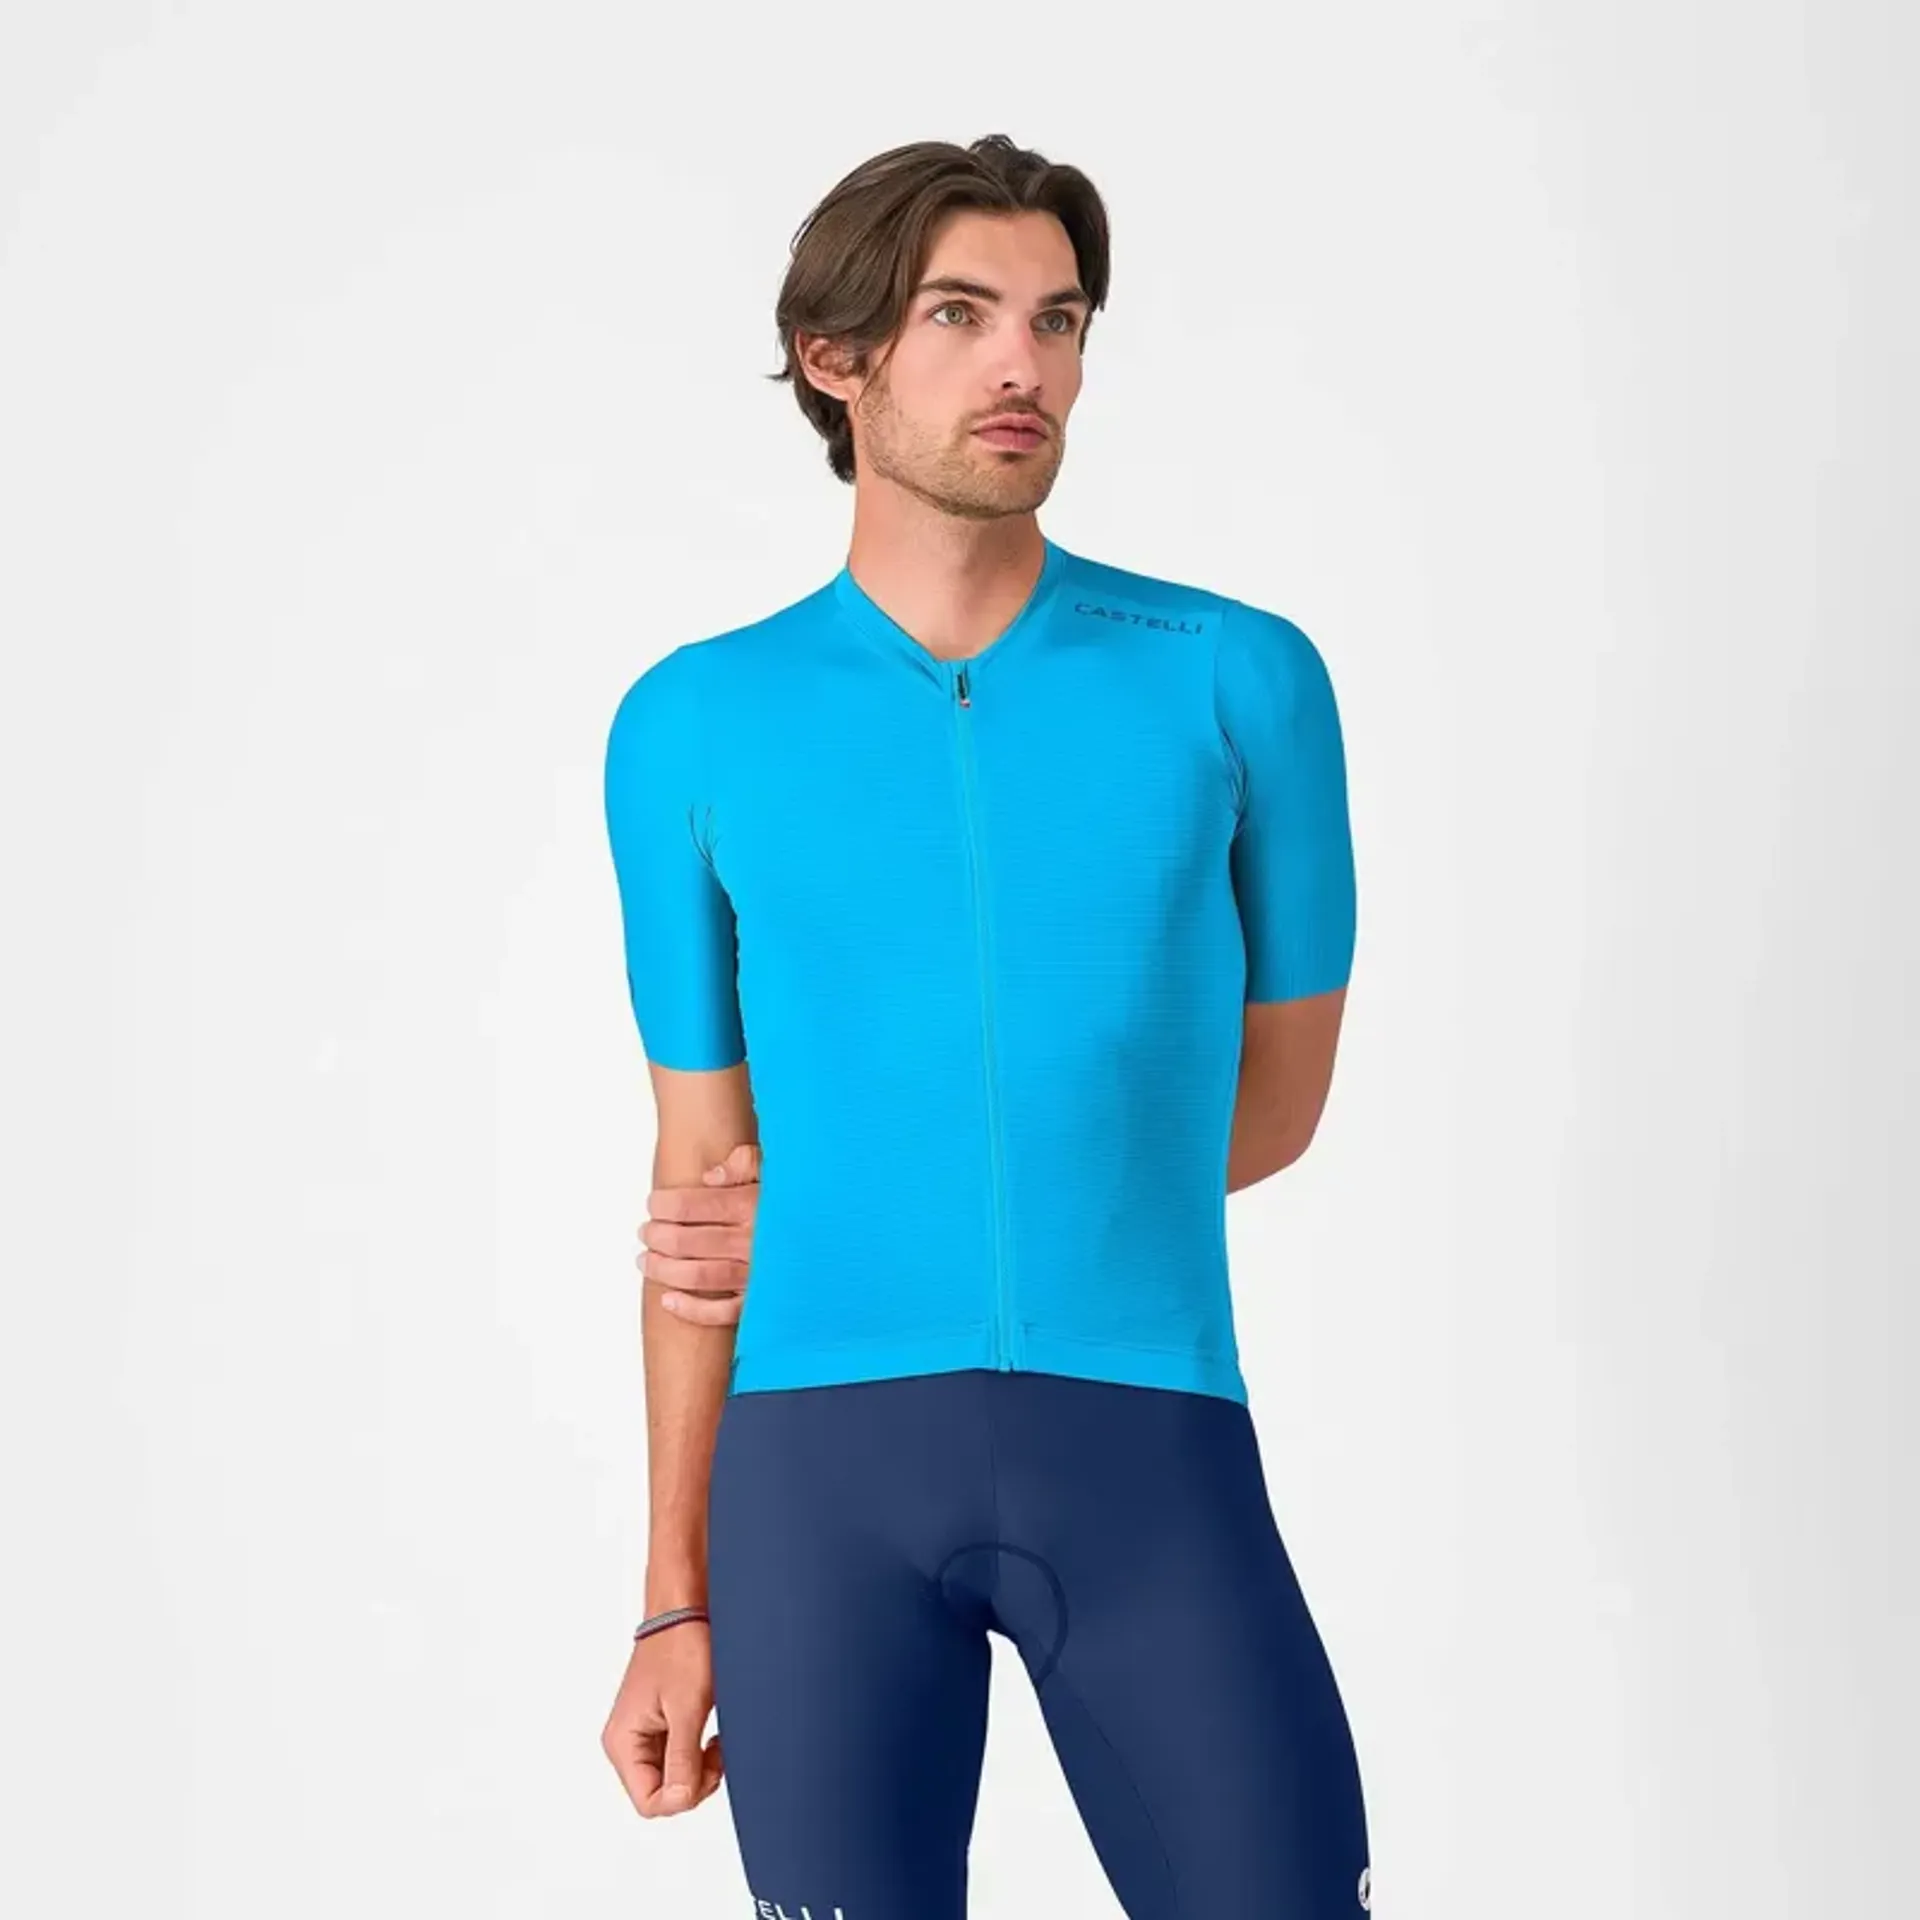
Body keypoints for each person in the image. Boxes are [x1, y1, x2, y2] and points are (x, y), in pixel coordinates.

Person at [599, 133, 1373, 1919]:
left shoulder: (1236, 677)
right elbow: (704, 1189)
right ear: (836, 360)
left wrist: (880, 1191)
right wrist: (671, 1594)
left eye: (1058, 319)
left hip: (1151, 1447)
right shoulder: (694, 723)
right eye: (960, 315)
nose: (1023, 362)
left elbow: (1269, 1107)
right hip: (813, 1486)